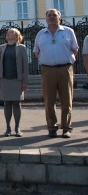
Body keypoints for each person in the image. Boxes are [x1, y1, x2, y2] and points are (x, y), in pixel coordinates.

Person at [33, 9, 78, 138]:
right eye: (49, 15)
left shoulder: (68, 31)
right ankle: (51, 127)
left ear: (60, 18)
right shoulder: (41, 34)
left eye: (54, 15)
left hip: (65, 69)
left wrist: (66, 59)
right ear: (46, 18)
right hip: (47, 70)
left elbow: (75, 49)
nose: (51, 17)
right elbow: (36, 51)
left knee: (67, 100)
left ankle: (66, 128)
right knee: (49, 100)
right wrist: (44, 60)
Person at [0, 28, 29, 137]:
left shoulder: (21, 48)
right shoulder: (2, 48)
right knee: (7, 103)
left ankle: (17, 128)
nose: (8, 34)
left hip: (17, 80)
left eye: (11, 32)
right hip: (5, 80)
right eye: (7, 33)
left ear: (16, 35)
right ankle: (8, 128)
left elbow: (25, 66)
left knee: (17, 103)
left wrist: (25, 82)